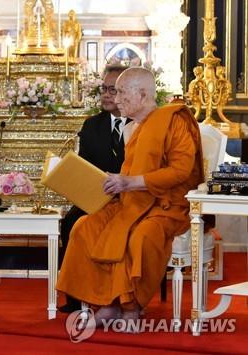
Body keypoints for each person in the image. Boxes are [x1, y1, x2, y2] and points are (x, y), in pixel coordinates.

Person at [57, 67, 204, 329]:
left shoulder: (175, 120)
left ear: (143, 94)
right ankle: (106, 303)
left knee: (141, 236)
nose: (117, 98)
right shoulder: (134, 127)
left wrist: (130, 182)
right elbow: (130, 171)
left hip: (168, 206)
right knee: (84, 227)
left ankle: (131, 305)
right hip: (132, 202)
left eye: (122, 92)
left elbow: (180, 171)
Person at [59, 64, 130, 313]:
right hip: (95, 198)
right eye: (104, 89)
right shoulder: (92, 125)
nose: (106, 95)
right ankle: (74, 296)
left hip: (129, 200)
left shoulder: (140, 124)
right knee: (70, 221)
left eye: (113, 89)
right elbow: (84, 166)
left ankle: (119, 296)